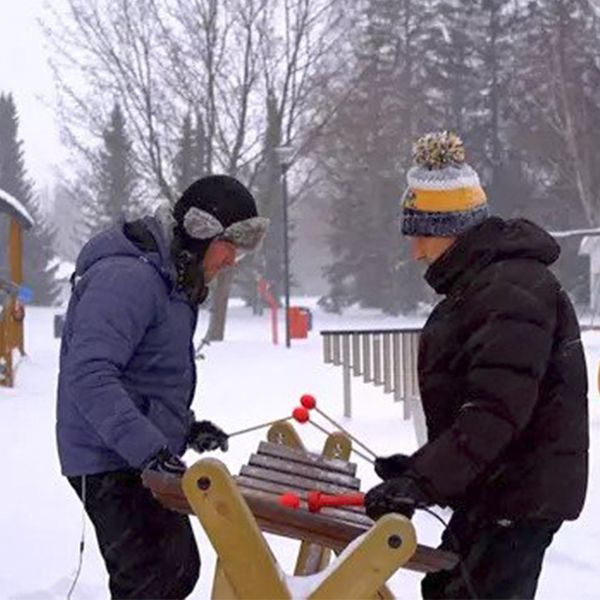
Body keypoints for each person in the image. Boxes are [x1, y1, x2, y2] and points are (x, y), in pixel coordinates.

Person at [364, 131, 589, 599]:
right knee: (447, 588)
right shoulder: (487, 285)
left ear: (451, 228)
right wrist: (418, 470)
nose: (416, 251)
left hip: (518, 495)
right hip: (496, 490)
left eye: (421, 234)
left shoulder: (510, 290)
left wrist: (424, 480)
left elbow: (494, 411)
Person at [56, 175, 268, 599]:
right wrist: (150, 449)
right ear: (201, 233)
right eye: (230, 246)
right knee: (154, 576)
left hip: (133, 452)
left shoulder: (170, 279)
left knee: (177, 567)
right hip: (107, 458)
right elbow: (91, 375)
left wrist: (183, 428)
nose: (232, 261)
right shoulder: (127, 278)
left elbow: (148, 376)